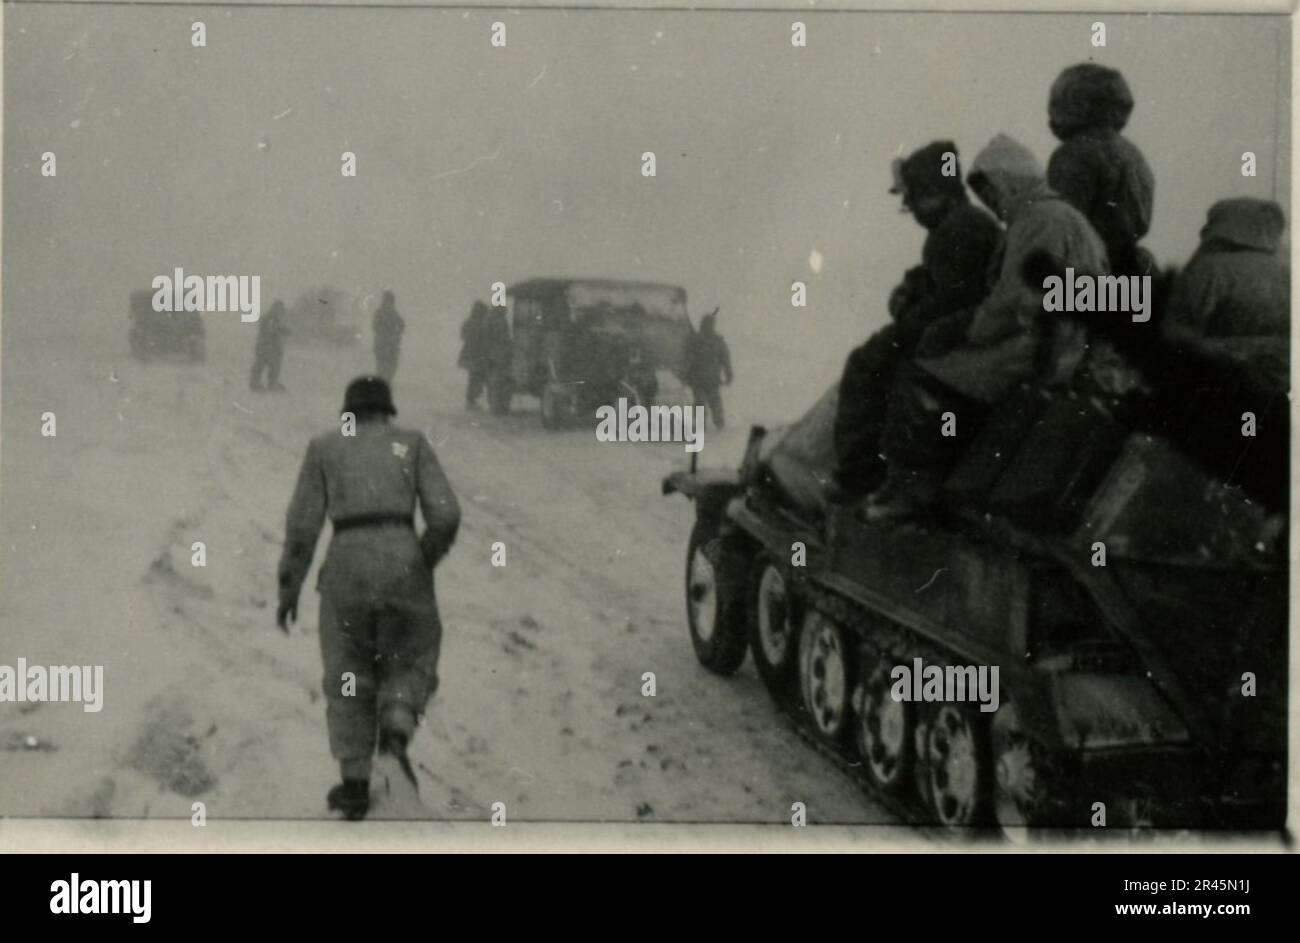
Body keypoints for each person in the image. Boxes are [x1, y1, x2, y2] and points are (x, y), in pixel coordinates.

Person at [865, 133, 1109, 520]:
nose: (991, 205)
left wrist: (965, 330)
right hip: (1058, 338)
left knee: (924, 374)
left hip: (1045, 345)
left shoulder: (1041, 221)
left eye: (992, 193)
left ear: (1008, 181)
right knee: (941, 368)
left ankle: (915, 487)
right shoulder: (1048, 216)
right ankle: (920, 480)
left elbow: (1014, 301)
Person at [276, 376, 461, 821]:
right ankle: (396, 732)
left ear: (348, 413)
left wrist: (290, 587)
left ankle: (355, 783)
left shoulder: (325, 447)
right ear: (387, 411)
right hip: (402, 557)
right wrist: (422, 559)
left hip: (346, 564)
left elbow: (303, 526)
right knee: (411, 653)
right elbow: (446, 513)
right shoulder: (412, 444)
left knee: (346, 666)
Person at [833, 141, 1002, 495]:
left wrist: (899, 325)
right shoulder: (967, 223)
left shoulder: (958, 229)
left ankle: (859, 476)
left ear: (933, 193)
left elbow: (947, 302)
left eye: (914, 197)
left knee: (866, 365)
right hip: (972, 334)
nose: (910, 208)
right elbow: (943, 283)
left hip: (962, 340)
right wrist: (914, 285)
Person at [1046, 63, 1155, 278]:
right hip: (1129, 270)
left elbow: (1060, 226)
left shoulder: (1074, 153)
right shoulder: (1132, 152)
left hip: (1085, 272)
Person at [684, 312, 733, 429]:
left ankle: (713, 424)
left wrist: (728, 372)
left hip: (702, 378)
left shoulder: (696, 339)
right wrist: (728, 373)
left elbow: (724, 359)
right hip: (707, 378)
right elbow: (725, 359)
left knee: (706, 402)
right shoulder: (713, 341)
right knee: (711, 402)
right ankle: (716, 424)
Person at [249, 299, 290, 391]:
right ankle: (256, 384)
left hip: (272, 348)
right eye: (279, 309)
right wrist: (280, 330)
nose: (280, 312)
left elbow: (278, 330)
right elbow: (270, 331)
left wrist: (283, 330)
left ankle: (271, 383)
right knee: (261, 365)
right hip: (266, 347)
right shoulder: (269, 319)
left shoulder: (274, 319)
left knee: (274, 367)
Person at [458, 300, 490, 409]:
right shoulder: (479, 323)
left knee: (474, 377)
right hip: (476, 355)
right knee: (475, 377)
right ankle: (471, 400)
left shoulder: (468, 322)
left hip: (469, 354)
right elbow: (481, 339)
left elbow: (462, 336)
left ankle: (472, 399)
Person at [372, 291, 405, 383]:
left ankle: (382, 379)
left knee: (381, 362)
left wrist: (382, 332)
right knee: (391, 362)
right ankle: (387, 380)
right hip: (392, 341)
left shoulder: (379, 312)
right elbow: (402, 325)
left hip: (382, 341)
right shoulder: (394, 313)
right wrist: (397, 334)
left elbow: (375, 326)